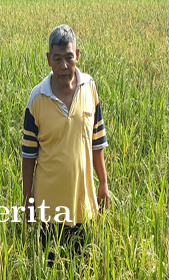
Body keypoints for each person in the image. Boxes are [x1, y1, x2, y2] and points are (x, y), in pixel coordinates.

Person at [21, 24, 109, 254]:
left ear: (77, 55)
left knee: (83, 275)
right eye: (57, 58)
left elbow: (97, 142)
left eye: (69, 58)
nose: (63, 66)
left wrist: (104, 184)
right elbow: (28, 156)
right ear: (48, 59)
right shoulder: (37, 98)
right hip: (50, 210)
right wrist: (28, 200)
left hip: (84, 205)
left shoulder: (89, 88)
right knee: (49, 277)